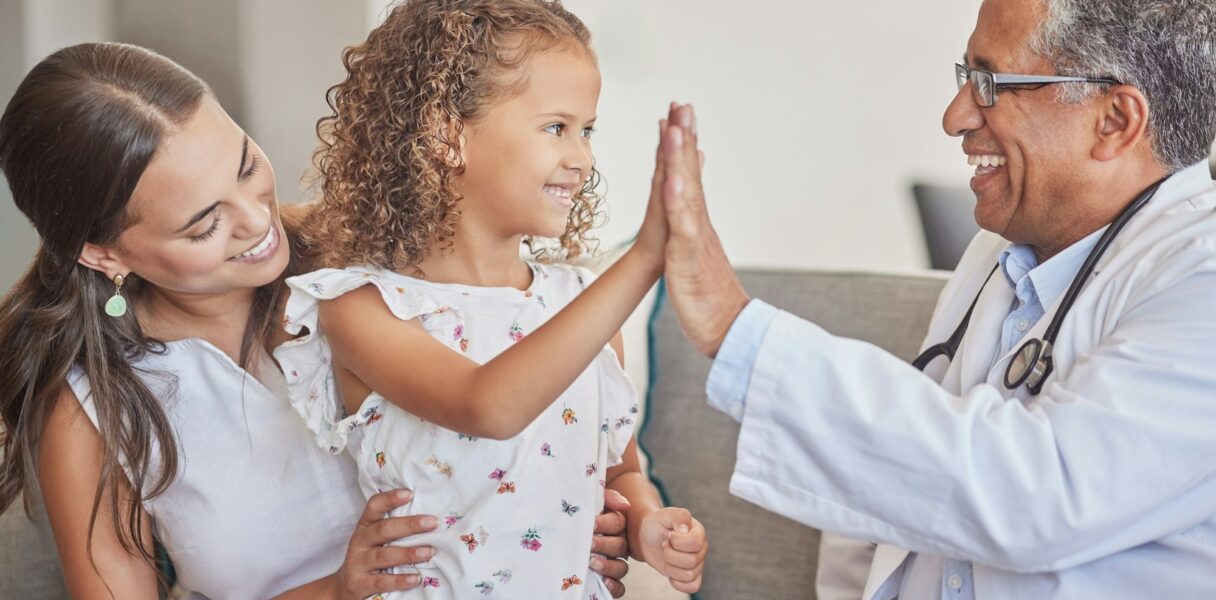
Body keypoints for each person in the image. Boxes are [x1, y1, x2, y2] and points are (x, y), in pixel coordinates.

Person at [0, 41, 632, 599]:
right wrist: (332, 594)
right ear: (102, 252)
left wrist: (584, 517)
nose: (256, 221)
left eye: (247, 167)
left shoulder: (364, 260)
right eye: (204, 222)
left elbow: (526, 391)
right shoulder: (93, 408)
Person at [654, 0, 1216, 597]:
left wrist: (733, 326)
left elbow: (1035, 495)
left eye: (989, 83)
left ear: (1115, 121)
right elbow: (892, 513)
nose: (955, 117)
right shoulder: (1001, 252)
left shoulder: (1200, 278)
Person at [279, 1, 707, 597]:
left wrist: (646, 524)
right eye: (556, 127)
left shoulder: (579, 306)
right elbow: (488, 407)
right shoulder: (364, 306)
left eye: (588, 130)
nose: (582, 158)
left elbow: (619, 469)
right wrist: (645, 258)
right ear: (447, 134)